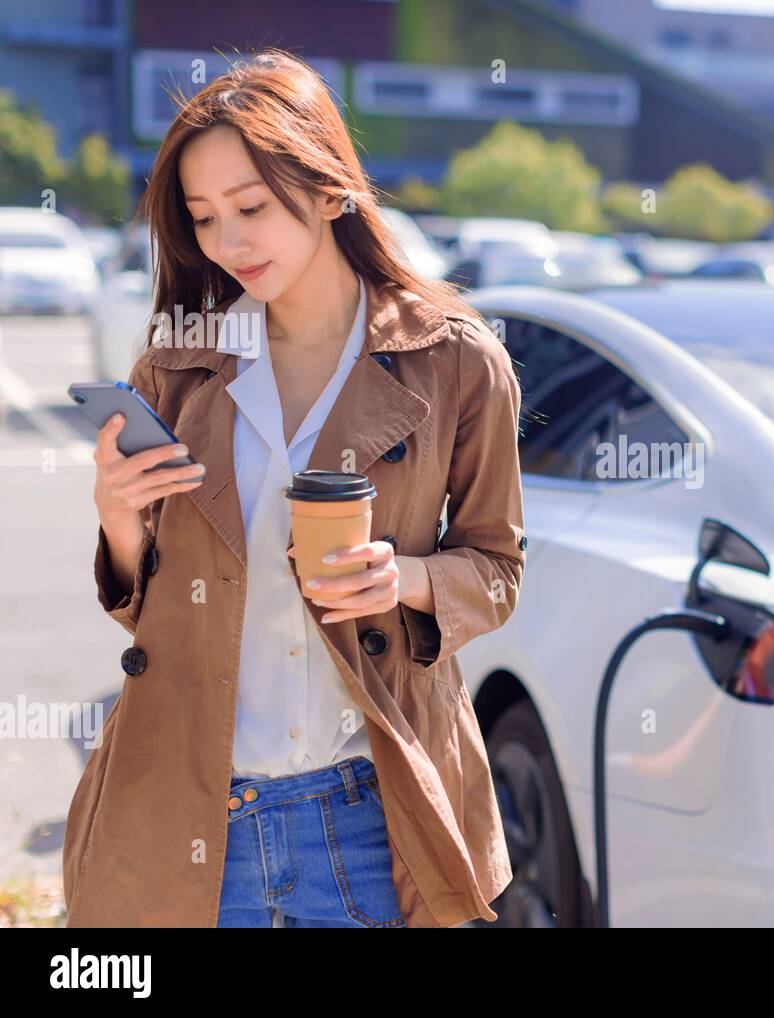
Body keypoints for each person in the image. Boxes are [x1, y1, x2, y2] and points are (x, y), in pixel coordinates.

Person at [62, 49, 527, 927]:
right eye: (202, 218)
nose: (227, 243)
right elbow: (146, 613)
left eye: (252, 208)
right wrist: (120, 523)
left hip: (371, 814)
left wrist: (408, 580)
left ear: (328, 190)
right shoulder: (177, 367)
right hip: (190, 814)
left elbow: (498, 566)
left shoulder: (455, 361)